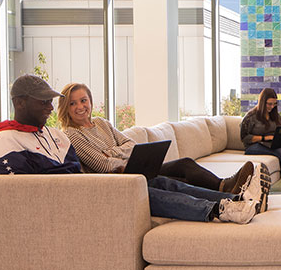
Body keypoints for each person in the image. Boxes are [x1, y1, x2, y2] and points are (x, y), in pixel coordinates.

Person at [0, 75, 266, 224]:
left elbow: (127, 147)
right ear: (21, 102)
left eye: (51, 101)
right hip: (87, 190)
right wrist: (115, 157)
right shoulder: (11, 140)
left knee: (161, 181)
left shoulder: (55, 135)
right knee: (148, 187)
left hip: (92, 185)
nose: (50, 107)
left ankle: (233, 201)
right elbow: (25, 189)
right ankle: (220, 208)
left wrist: (115, 154)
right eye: (44, 102)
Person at [58, 83, 254, 195]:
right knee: (177, 175)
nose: (80, 106)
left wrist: (112, 152)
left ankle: (225, 186)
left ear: (90, 101)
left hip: (134, 168)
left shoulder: (102, 123)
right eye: (73, 103)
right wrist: (118, 155)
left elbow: (130, 144)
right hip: (121, 179)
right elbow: (103, 165)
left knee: (184, 165)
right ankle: (227, 191)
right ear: (66, 108)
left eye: (83, 100)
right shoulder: (72, 134)